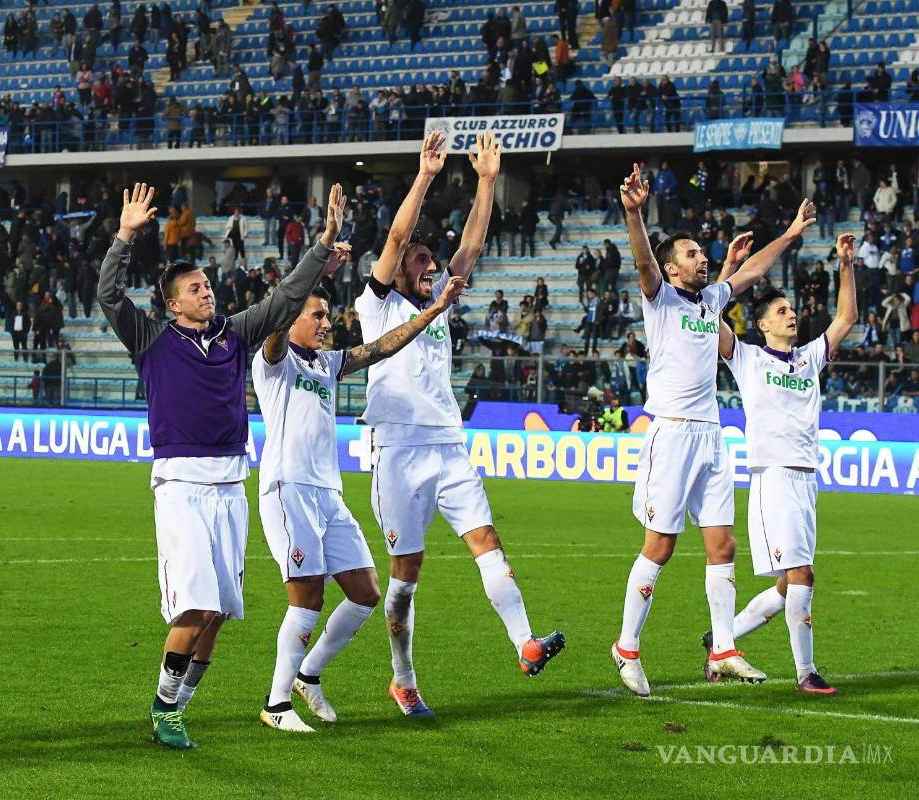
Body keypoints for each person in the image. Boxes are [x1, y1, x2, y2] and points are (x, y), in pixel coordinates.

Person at [97, 182, 346, 750]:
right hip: (181, 485)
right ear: (173, 304)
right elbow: (109, 295)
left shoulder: (234, 335)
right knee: (197, 605)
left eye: (207, 285)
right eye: (194, 288)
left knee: (218, 615)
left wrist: (324, 241)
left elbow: (286, 299)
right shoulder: (152, 340)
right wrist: (125, 235)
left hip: (232, 485)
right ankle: (164, 707)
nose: (206, 292)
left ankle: (178, 705)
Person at [356, 132, 565, 718]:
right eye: (420, 260)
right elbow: (396, 238)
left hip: (449, 448)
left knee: (487, 544)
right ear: (399, 268)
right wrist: (425, 176)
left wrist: (488, 182)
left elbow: (471, 246)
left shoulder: (443, 300)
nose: (430, 266)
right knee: (405, 578)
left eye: (431, 261)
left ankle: (524, 643)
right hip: (397, 452)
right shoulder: (379, 305)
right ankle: (403, 679)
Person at [610, 160, 817, 697]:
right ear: (672, 268)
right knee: (659, 546)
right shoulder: (659, 298)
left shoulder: (710, 301)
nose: (702, 258)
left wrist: (791, 233)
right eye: (691, 254)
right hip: (672, 433)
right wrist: (634, 214)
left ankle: (724, 647)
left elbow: (751, 272)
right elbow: (643, 262)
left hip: (712, 436)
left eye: (703, 253)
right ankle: (626, 647)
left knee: (723, 546)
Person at [253, 244, 467, 732]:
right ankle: (276, 704)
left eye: (327, 315)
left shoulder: (327, 364)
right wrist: (315, 271)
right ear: (292, 318)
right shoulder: (274, 360)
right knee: (306, 597)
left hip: (328, 494)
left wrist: (435, 309)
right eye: (317, 315)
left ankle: (308, 674)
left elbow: (384, 346)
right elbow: (276, 323)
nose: (326, 323)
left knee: (366, 592)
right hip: (288, 490)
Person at [711, 233, 858, 695]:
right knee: (802, 576)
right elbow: (708, 317)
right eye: (781, 311)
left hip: (806, 480)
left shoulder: (809, 359)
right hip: (772, 477)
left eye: (792, 309)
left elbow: (847, 318)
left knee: (784, 586)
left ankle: (720, 643)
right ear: (762, 325)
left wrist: (846, 264)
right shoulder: (748, 358)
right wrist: (729, 270)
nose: (791, 314)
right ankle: (805, 673)